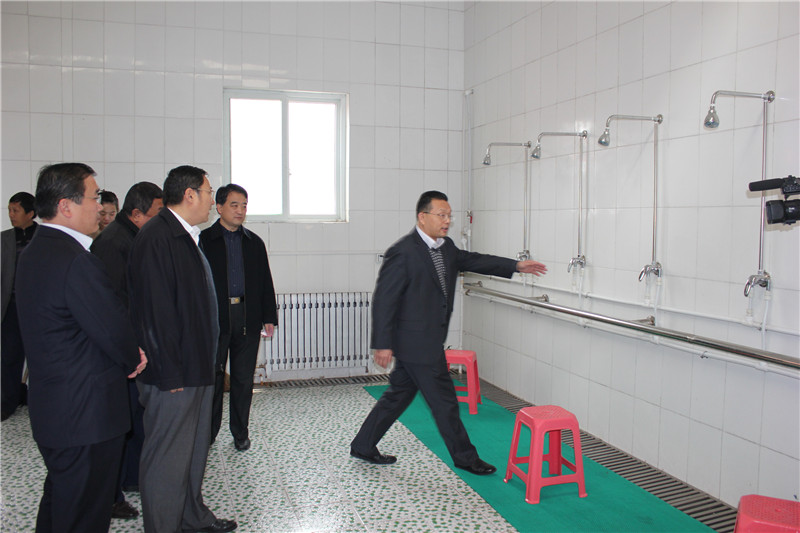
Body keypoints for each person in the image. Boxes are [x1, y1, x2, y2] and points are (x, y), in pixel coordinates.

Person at [350, 190, 548, 475]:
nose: (447, 221)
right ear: (422, 217)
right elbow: (385, 299)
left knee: (397, 396)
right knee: (445, 403)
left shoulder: (446, 247)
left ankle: (363, 445)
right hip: (417, 343)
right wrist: (382, 343)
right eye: (441, 215)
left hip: (425, 340)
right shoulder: (403, 251)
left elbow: (474, 260)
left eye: (449, 216)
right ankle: (466, 458)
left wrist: (515, 266)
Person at [15, 163, 146, 532]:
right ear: (66, 206)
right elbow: (112, 327)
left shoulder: (35, 252)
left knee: (61, 505)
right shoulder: (75, 261)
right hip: (86, 417)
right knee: (84, 515)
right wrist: (133, 356)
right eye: (93, 197)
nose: (100, 207)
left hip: (56, 411)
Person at [128, 165, 237, 533]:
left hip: (196, 367)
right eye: (207, 192)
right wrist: (170, 372)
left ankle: (191, 517)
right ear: (189, 195)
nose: (210, 199)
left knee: (191, 453)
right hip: (173, 376)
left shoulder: (185, 235)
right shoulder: (157, 238)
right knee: (167, 459)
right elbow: (153, 313)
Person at [91, 181, 164, 520]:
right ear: (136, 214)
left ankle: (132, 477)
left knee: (134, 417)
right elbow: (114, 305)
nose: (161, 220)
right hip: (121, 352)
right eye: (157, 213)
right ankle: (112, 494)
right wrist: (131, 349)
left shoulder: (133, 236)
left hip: (134, 347)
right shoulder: (113, 244)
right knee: (119, 423)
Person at [199, 184, 278, 452]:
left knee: (243, 380)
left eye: (244, 205)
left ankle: (240, 432)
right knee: (213, 378)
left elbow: (265, 282)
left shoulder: (254, 242)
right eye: (234, 205)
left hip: (247, 317)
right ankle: (209, 432)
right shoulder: (204, 241)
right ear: (219, 207)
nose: (240, 210)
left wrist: (269, 316)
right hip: (215, 320)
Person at [1, 192, 37, 421]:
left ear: (30, 213)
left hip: (37, 310)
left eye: (16, 210)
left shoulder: (43, 236)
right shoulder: (4, 239)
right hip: (10, 308)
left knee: (38, 358)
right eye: (9, 210)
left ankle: (37, 402)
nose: (11, 215)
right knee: (9, 358)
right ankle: (7, 403)